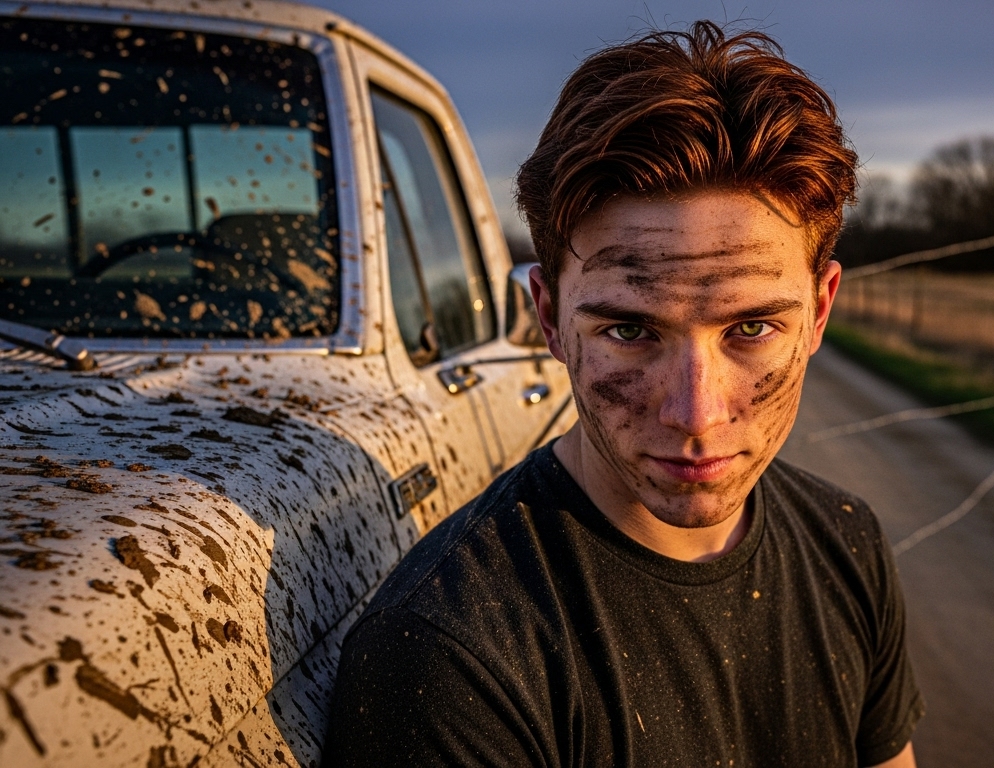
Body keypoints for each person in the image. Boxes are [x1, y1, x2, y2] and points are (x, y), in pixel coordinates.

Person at [323, 20, 923, 767]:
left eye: (753, 328)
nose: (695, 413)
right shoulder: (449, 654)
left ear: (821, 312)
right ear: (548, 317)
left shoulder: (848, 540)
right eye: (631, 332)